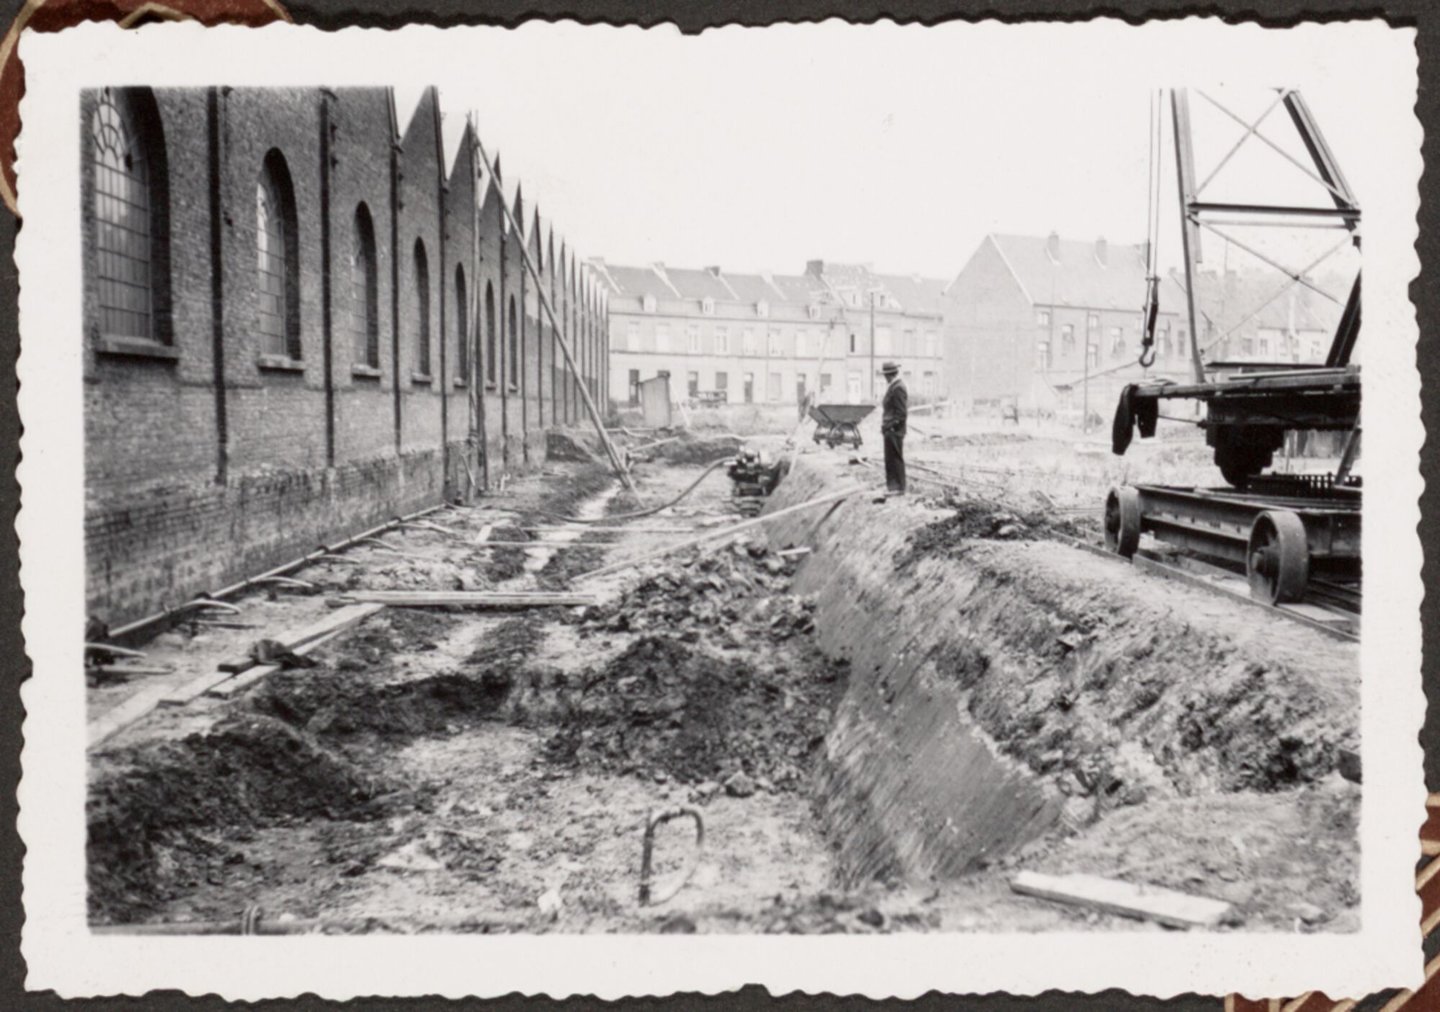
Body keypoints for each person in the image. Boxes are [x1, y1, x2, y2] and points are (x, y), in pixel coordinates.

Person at [879, 361, 907, 498]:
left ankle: (899, 488)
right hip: (889, 430)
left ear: (889, 375)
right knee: (890, 459)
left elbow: (901, 413)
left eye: (886, 375)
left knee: (895, 458)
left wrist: (891, 427)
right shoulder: (893, 386)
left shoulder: (898, 388)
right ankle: (892, 488)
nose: (885, 378)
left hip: (894, 430)